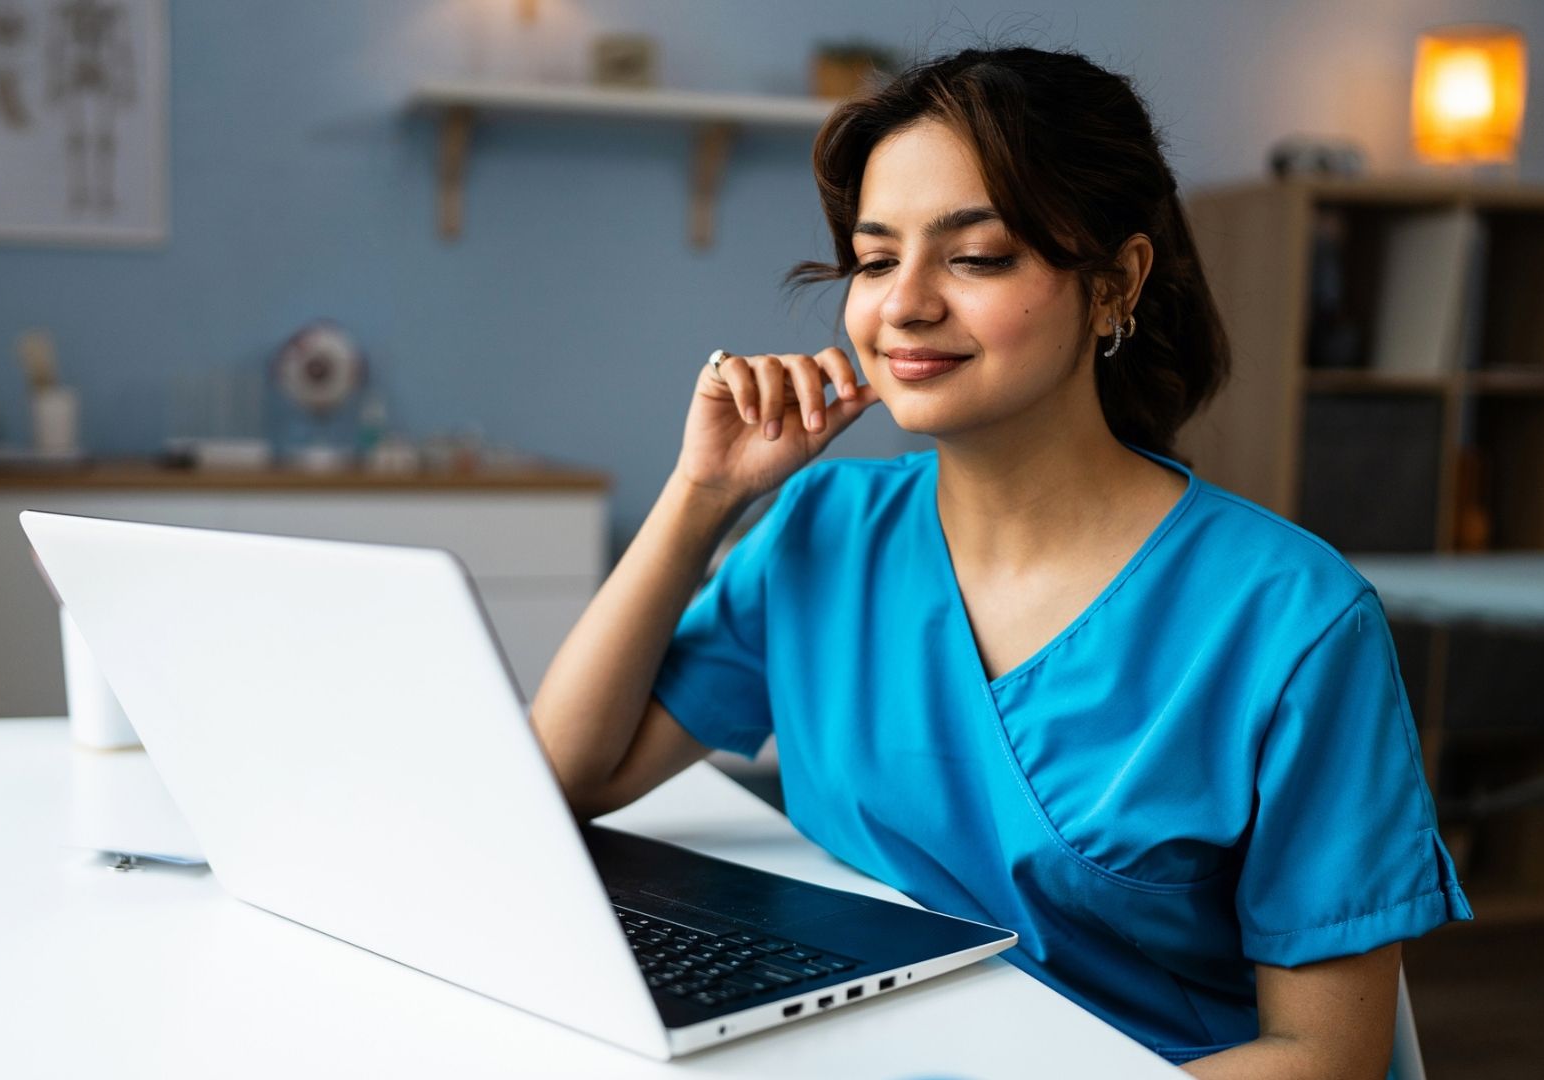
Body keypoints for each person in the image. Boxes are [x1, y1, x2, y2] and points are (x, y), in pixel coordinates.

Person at [529, 45, 1471, 1078]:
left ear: (1116, 283)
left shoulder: (1289, 620)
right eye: (876, 258)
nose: (906, 305)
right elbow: (565, 778)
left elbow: (1325, 1057)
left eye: (974, 257)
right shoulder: (823, 531)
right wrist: (701, 495)